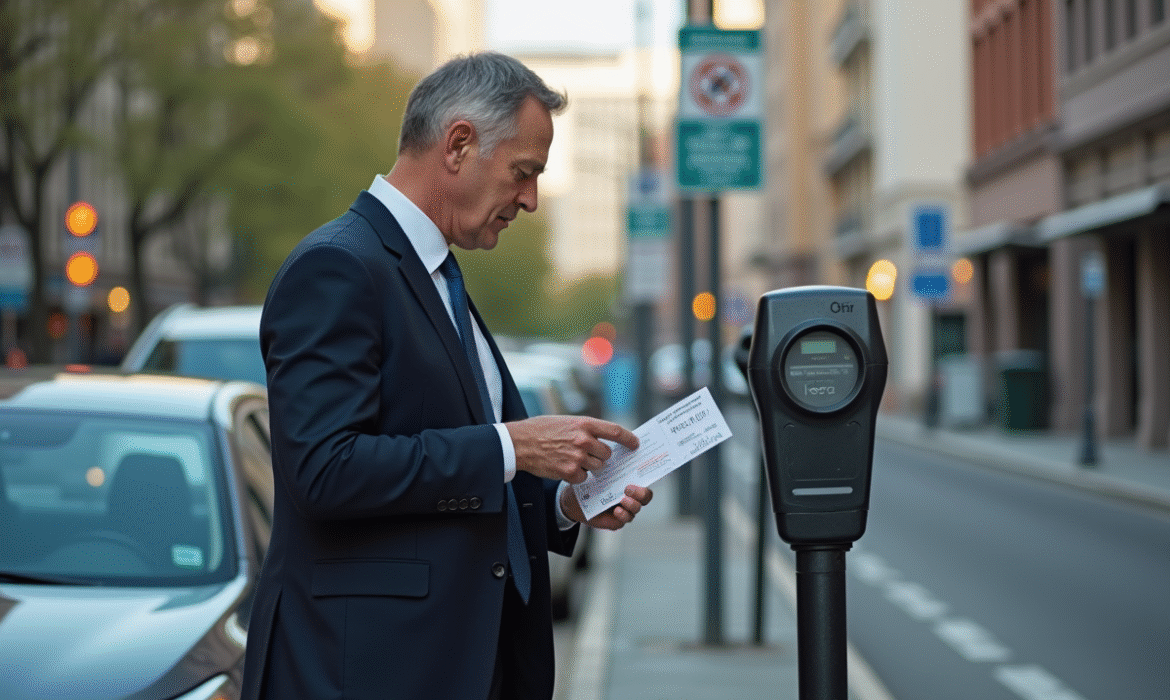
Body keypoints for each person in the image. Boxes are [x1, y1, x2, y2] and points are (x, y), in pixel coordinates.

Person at [240, 52, 654, 700]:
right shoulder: (339, 267)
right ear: (459, 144)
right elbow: (323, 470)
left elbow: (460, 479)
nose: (531, 199)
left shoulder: (438, 278)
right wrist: (514, 446)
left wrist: (568, 504)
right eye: (523, 173)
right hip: (368, 675)